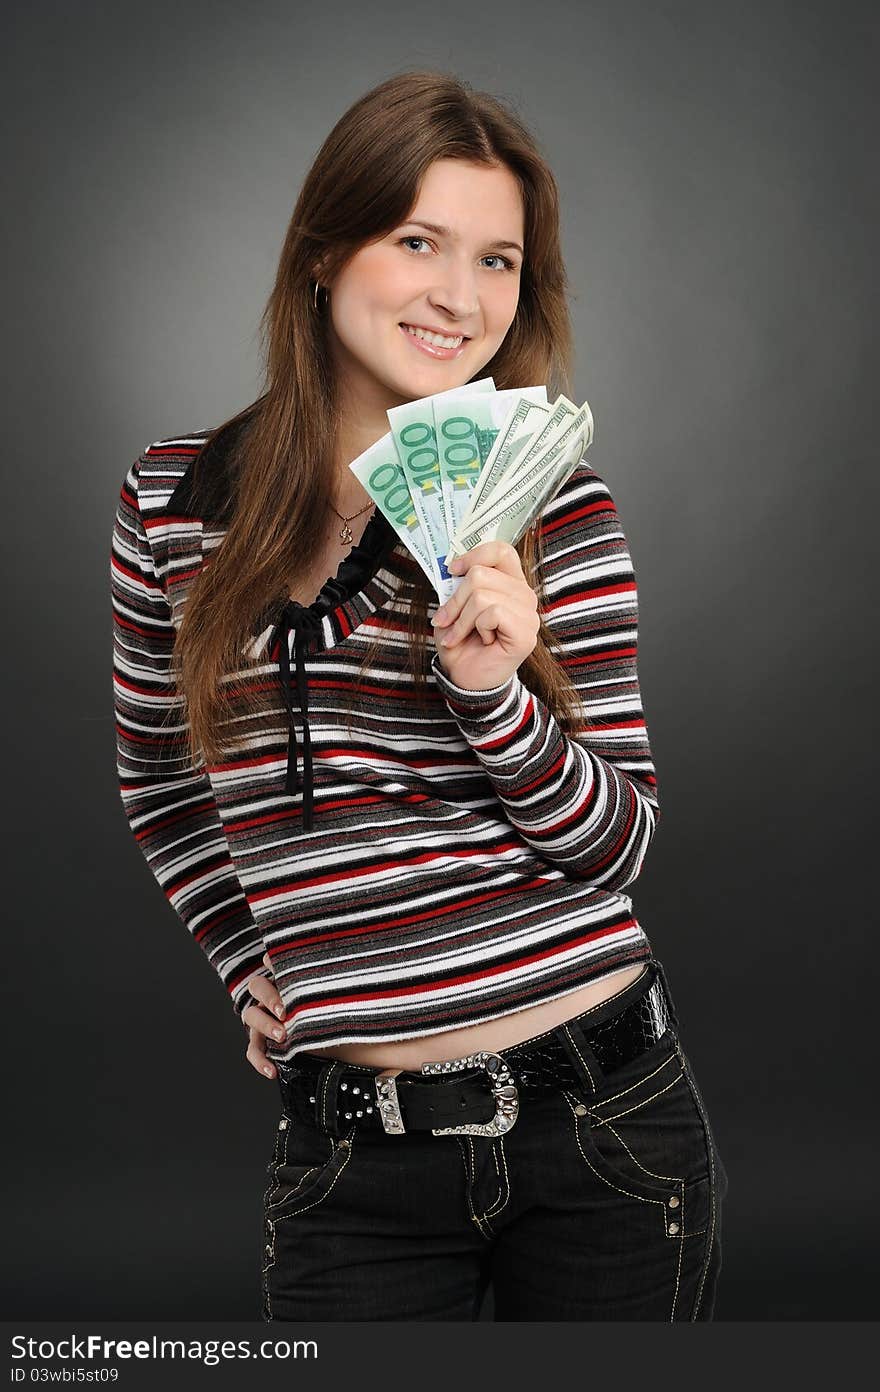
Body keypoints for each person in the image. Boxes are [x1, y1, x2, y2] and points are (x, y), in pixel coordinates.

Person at [110, 69, 728, 1322]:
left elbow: (617, 848)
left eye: (499, 260)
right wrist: (250, 963)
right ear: (323, 254)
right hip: (353, 1152)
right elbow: (161, 783)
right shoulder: (172, 505)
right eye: (417, 242)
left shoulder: (554, 503)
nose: (460, 296)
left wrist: (492, 693)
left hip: (603, 1125)